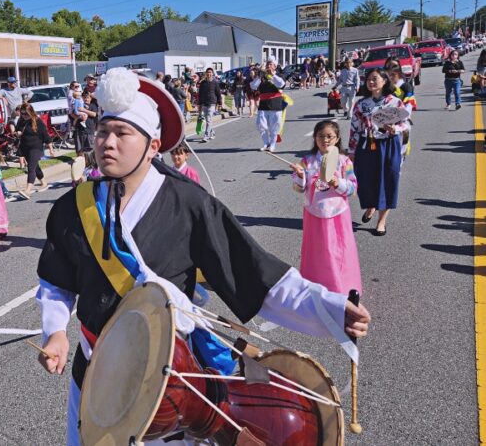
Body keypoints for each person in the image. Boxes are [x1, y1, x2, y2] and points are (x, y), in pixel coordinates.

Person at [34, 68, 370, 446]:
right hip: (95, 372)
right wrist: (57, 332)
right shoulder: (72, 209)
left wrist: (329, 308)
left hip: (169, 379)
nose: (107, 143)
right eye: (102, 131)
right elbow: (56, 281)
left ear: (153, 144)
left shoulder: (190, 204)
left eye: (122, 133)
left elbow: (256, 275)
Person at [290, 120, 361, 296]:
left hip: (338, 212)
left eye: (329, 136)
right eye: (321, 136)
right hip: (314, 212)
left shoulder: (344, 161)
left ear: (337, 139)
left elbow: (353, 187)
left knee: (339, 249)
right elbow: (299, 188)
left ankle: (342, 284)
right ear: (315, 138)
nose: (325, 140)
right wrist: (300, 176)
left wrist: (338, 183)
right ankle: (316, 284)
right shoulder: (307, 161)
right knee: (317, 249)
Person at [349, 69, 410, 236]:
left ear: (384, 81)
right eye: (368, 79)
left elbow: (406, 124)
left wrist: (395, 128)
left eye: (375, 79)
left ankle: (381, 221)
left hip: (389, 145)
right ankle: (371, 206)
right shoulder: (361, 104)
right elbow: (354, 129)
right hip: (367, 145)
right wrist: (351, 151)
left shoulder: (395, 102)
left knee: (388, 180)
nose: (371, 82)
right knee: (366, 180)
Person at [15, 103, 50, 199]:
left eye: (26, 114)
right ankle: (44, 182)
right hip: (25, 147)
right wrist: (17, 133)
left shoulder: (38, 121)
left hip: (36, 147)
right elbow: (17, 130)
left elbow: (45, 134)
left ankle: (28, 190)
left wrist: (50, 146)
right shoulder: (21, 120)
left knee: (30, 168)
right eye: (22, 114)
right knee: (35, 167)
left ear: (31, 112)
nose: (24, 116)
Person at [251, 58, 286, 152]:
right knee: (260, 125)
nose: (268, 66)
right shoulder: (262, 77)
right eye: (267, 64)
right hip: (263, 104)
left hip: (275, 104)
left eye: (270, 64)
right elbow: (253, 86)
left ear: (275, 66)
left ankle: (273, 144)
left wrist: (272, 75)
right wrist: (259, 76)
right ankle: (266, 143)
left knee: (274, 126)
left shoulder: (279, 75)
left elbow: (281, 84)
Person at [197, 68, 221, 142]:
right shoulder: (202, 83)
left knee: (208, 120)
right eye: (207, 72)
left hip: (212, 103)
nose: (209, 74)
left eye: (210, 72)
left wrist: (219, 103)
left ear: (212, 73)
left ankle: (206, 136)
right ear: (205, 73)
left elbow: (218, 93)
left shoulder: (215, 82)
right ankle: (212, 133)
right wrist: (199, 104)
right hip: (204, 103)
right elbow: (200, 94)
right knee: (208, 120)